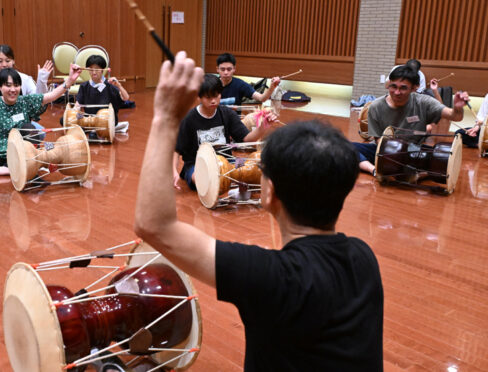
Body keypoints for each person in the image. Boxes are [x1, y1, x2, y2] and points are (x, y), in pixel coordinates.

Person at [134, 51, 384, 371]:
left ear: (269, 191)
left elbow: (153, 225)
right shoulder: (364, 258)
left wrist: (165, 118)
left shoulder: (269, 277)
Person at [0, 65, 80, 178]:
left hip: (20, 154)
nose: (13, 89)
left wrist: (69, 81)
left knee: (29, 127)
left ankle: (22, 165)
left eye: (16, 85)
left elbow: (51, 96)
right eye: (8, 85)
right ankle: (9, 170)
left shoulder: (25, 101)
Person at [354, 65, 468, 175]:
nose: (397, 92)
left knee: (442, 157)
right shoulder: (376, 107)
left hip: (413, 150)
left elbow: (455, 116)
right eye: (393, 86)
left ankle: (410, 171)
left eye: (403, 88)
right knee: (348, 147)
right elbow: (378, 140)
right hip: (383, 150)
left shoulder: (424, 102)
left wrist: (457, 107)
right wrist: (393, 154)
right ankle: (373, 170)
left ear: (415, 88)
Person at [173, 74, 277, 190]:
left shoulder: (227, 114)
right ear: (199, 97)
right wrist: (174, 171)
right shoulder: (189, 119)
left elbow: (247, 138)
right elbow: (176, 149)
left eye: (216, 96)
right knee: (202, 180)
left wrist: (262, 127)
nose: (213, 101)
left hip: (227, 161)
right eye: (208, 97)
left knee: (255, 168)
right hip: (196, 164)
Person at [75, 55, 129, 125]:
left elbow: (126, 98)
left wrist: (119, 86)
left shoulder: (110, 84)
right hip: (90, 120)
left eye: (97, 69)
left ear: (103, 70)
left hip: (107, 121)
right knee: (64, 119)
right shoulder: (84, 86)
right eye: (91, 69)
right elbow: (77, 105)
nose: (94, 72)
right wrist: (75, 114)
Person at [216, 53, 280, 105]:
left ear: (234, 69)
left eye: (229, 69)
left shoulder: (240, 84)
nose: (226, 72)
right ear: (217, 69)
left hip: (234, 120)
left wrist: (272, 87)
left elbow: (261, 98)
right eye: (222, 69)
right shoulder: (212, 84)